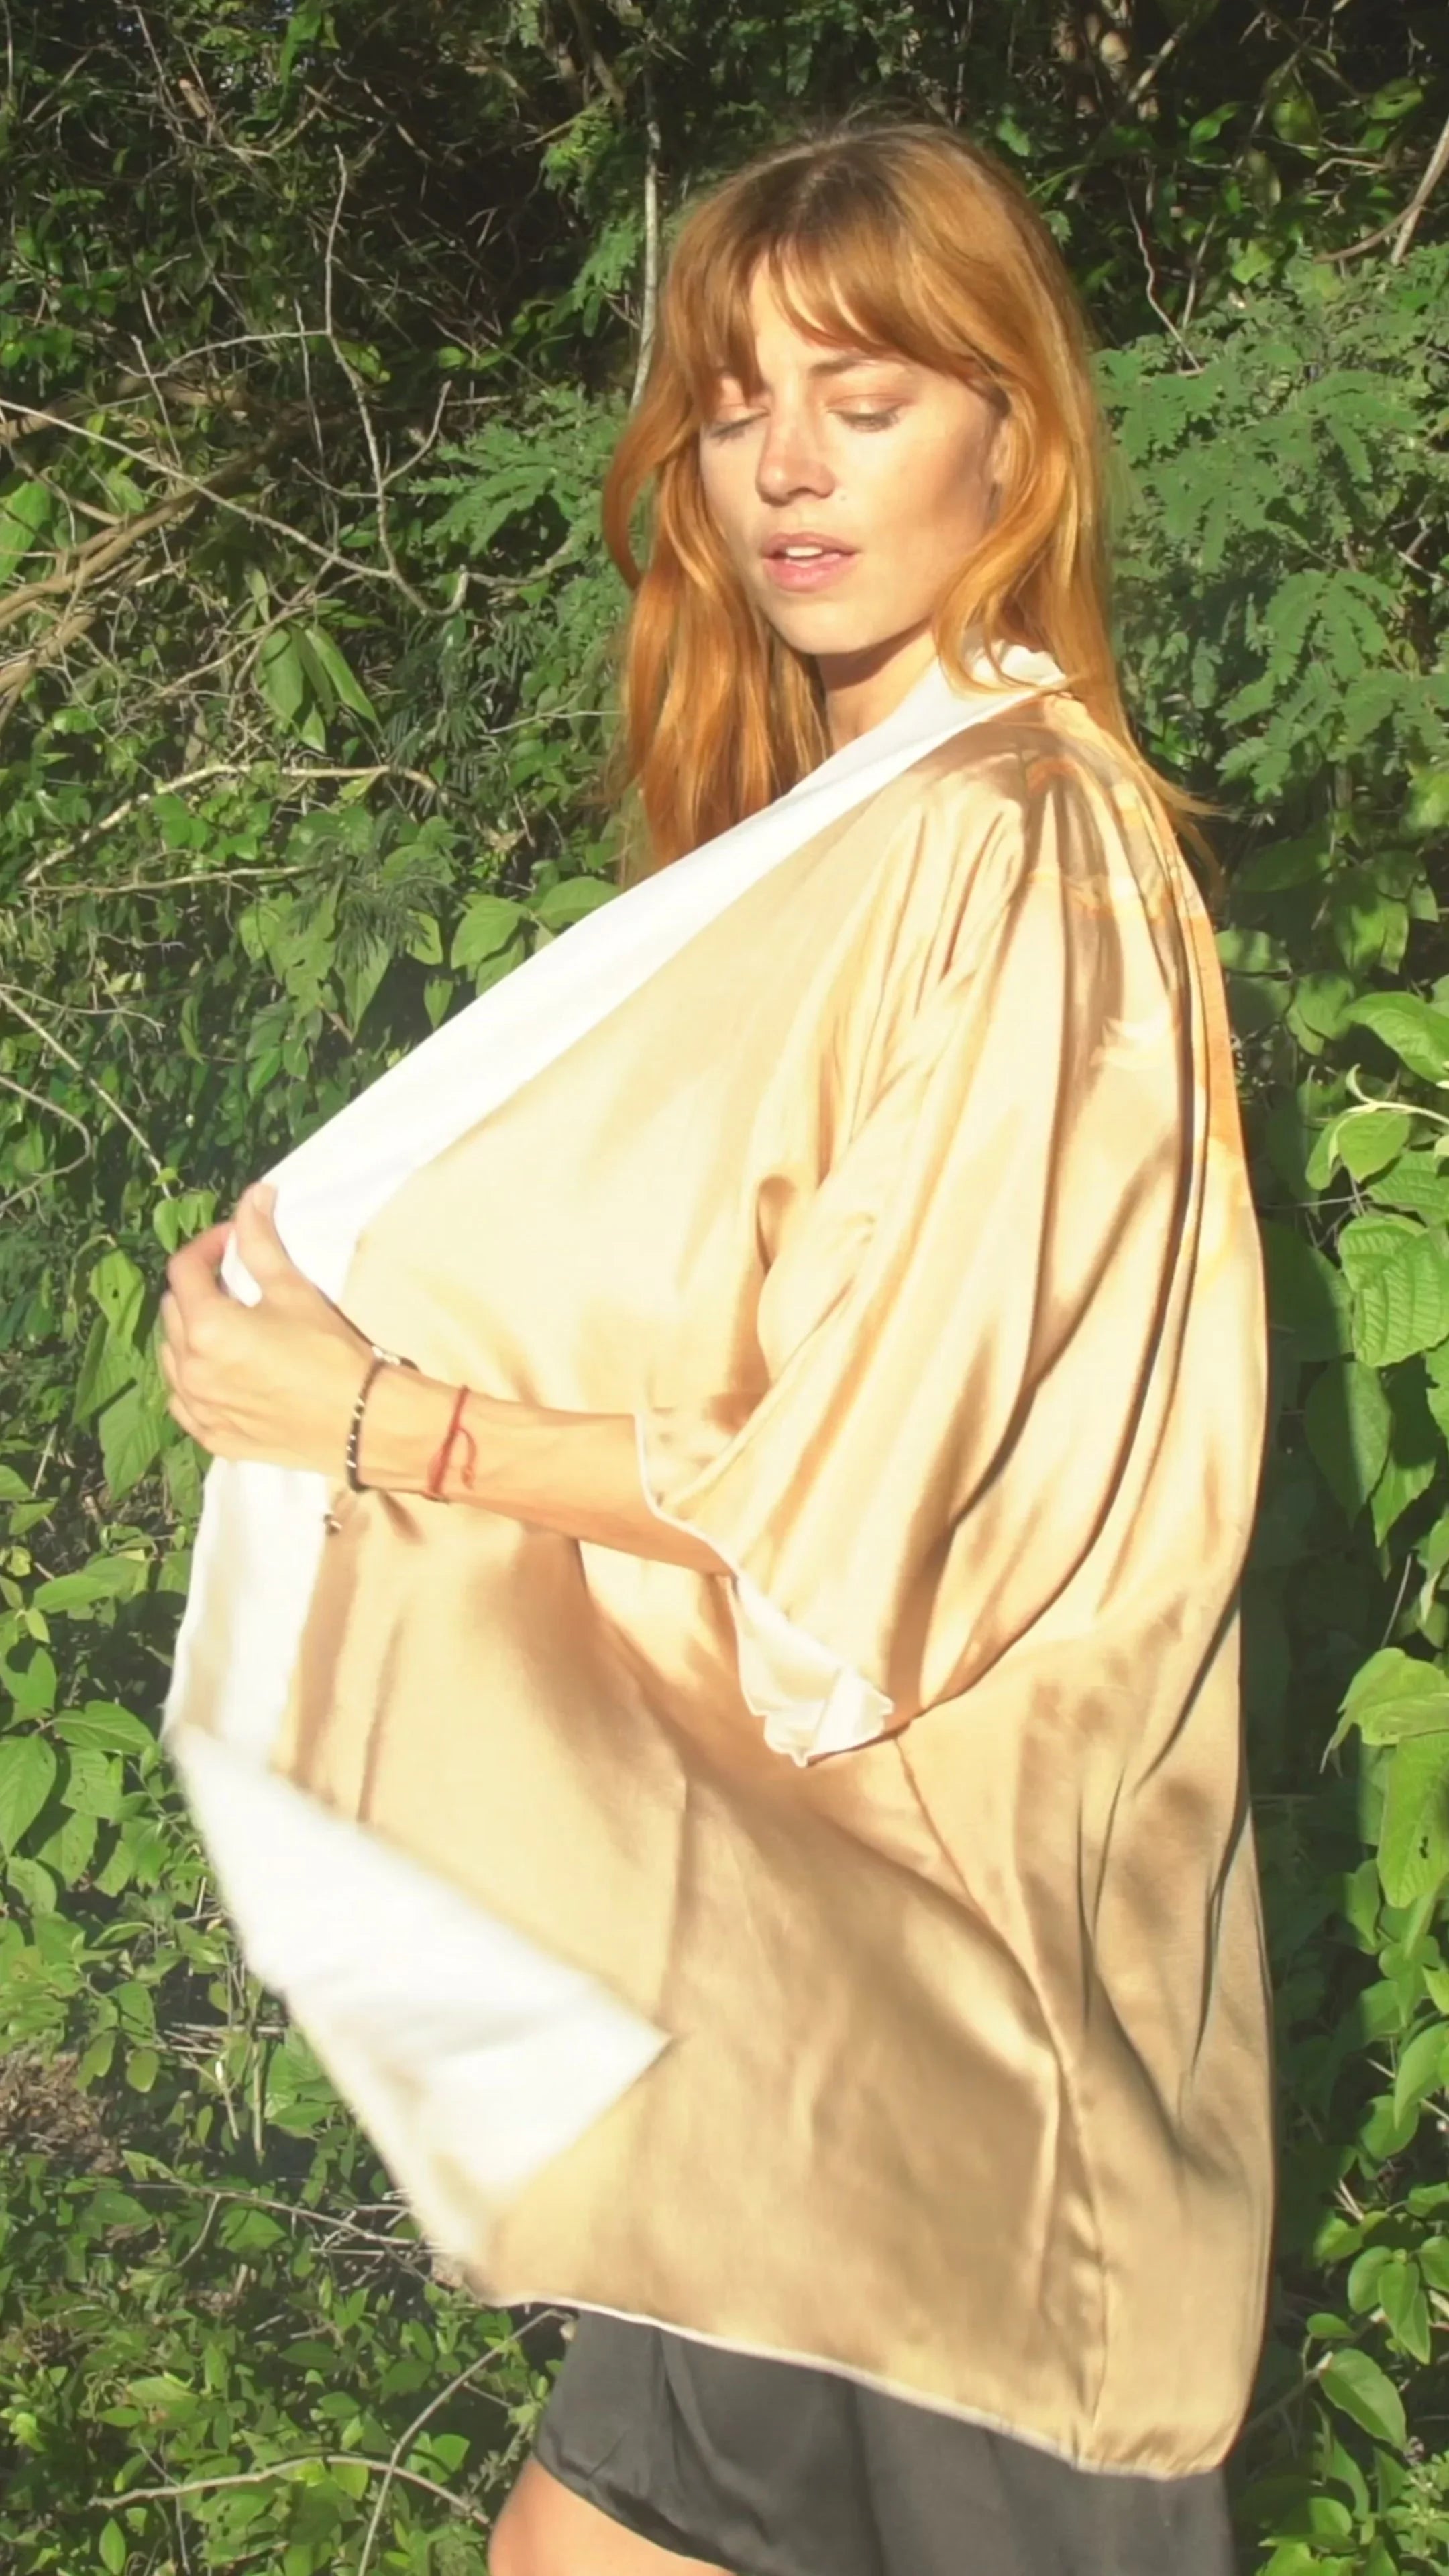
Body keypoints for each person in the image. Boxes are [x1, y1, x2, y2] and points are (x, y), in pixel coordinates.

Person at [159, 122, 1272, 2576]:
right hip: (801, 1971)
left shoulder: (1013, 844)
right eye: (740, 402)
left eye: (865, 402)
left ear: (1015, 439)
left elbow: (869, 1492)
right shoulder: (856, 835)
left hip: (967, 2010)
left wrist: (376, 1419)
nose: (786, 468)